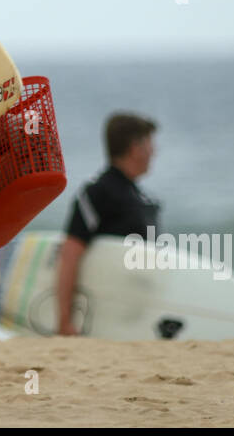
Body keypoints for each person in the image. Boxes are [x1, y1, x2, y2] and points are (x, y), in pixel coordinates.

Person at [55, 113, 160, 336]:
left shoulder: (140, 197)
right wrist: (65, 321)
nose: (154, 152)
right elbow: (70, 253)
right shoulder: (98, 193)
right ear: (135, 147)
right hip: (112, 311)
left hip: (133, 313)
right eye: (150, 144)